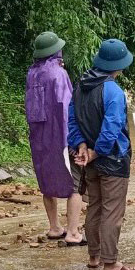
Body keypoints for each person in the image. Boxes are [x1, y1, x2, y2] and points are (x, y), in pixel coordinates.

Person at [67, 38, 135, 270]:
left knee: (95, 207)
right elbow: (112, 127)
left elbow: (72, 122)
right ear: (119, 65)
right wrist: (98, 150)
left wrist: (82, 147)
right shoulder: (113, 90)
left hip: (90, 160)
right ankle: (111, 263)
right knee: (112, 211)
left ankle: (94, 256)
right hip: (112, 159)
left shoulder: (80, 87)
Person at [25, 31, 84, 246]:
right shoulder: (58, 74)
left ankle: (54, 227)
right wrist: (75, 140)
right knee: (74, 184)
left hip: (39, 138)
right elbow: (66, 107)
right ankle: (73, 231)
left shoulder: (32, 74)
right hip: (60, 136)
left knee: (46, 181)